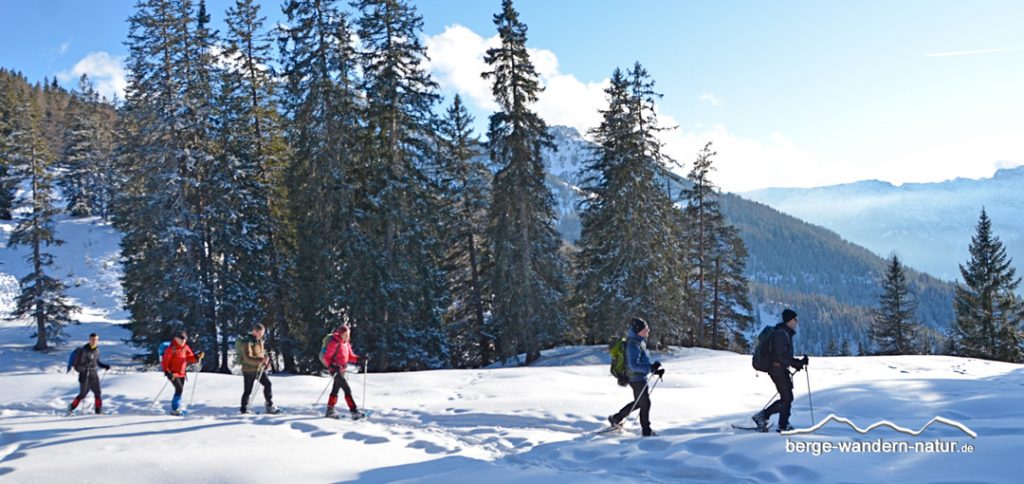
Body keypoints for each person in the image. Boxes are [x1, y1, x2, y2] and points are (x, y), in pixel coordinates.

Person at [751, 309, 808, 432]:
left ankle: (783, 423)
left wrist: (797, 363)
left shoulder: (784, 332)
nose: (797, 322)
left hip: (779, 369)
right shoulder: (781, 334)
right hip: (777, 369)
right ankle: (765, 417)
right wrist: (797, 363)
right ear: (789, 320)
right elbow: (781, 356)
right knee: (786, 398)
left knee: (787, 398)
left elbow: (784, 356)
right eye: (795, 319)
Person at [608, 318, 664, 437]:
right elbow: (633, 366)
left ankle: (616, 418)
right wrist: (650, 368)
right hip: (636, 379)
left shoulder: (639, 342)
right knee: (645, 403)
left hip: (639, 377)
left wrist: (653, 368)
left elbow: (641, 361)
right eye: (645, 329)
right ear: (638, 331)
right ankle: (646, 431)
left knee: (640, 402)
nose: (648, 330)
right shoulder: (633, 344)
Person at [322, 325, 364, 419]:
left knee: (335, 389)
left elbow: (350, 357)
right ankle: (354, 411)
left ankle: (330, 410)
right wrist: (332, 366)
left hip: (342, 370)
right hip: (335, 370)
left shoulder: (346, 344)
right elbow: (327, 357)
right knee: (347, 389)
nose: (347, 336)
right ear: (340, 334)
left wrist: (360, 359)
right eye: (345, 334)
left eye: (348, 334)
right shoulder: (334, 343)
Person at [67, 333, 112, 415]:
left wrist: (105, 366)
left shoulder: (96, 350)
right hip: (84, 375)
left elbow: (97, 362)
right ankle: (71, 408)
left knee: (98, 393)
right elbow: (79, 365)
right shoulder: (84, 351)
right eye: (92, 339)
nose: (94, 341)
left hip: (94, 374)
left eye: (96, 339)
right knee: (82, 394)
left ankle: (98, 411)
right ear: (89, 340)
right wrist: (84, 368)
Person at [239, 324, 278, 414]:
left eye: (262, 334)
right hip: (248, 370)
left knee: (268, 384)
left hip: (258, 368)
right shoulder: (247, 342)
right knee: (248, 391)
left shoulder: (259, 341)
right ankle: (244, 409)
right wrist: (261, 360)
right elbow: (247, 358)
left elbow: (260, 354)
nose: (261, 335)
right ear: (254, 331)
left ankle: (269, 405)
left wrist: (265, 363)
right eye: (260, 333)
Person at [161, 331, 203, 416]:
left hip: (182, 373)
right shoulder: (171, 349)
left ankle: (177, 407)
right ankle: (175, 409)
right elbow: (165, 362)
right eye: (182, 339)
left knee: (179, 390)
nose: (183, 341)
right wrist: (167, 372)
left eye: (185, 339)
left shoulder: (185, 348)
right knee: (179, 389)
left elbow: (190, 358)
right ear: (176, 339)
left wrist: (196, 356)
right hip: (173, 373)